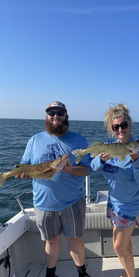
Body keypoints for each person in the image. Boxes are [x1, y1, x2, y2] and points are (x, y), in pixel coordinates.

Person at [17, 101, 91, 277]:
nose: (55, 116)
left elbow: (86, 169)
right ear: (46, 117)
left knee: (75, 239)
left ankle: (82, 273)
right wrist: (23, 173)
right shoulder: (35, 139)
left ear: (66, 116)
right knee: (51, 241)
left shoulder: (79, 140)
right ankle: (50, 274)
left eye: (60, 113)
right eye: (51, 113)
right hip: (44, 203)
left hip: (73, 201)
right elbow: (25, 165)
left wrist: (71, 169)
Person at [90, 104, 139, 277]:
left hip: (130, 204)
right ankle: (128, 271)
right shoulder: (108, 145)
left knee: (118, 247)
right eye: (116, 127)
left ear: (130, 125)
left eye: (123, 125)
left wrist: (135, 159)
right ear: (112, 129)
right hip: (113, 203)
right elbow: (94, 167)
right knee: (125, 244)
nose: (120, 130)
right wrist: (101, 160)